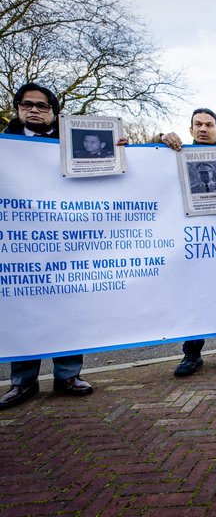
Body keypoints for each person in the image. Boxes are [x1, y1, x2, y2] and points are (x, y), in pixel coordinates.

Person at [0, 83, 93, 410]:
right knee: (24, 310)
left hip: (68, 241)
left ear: (54, 112)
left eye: (42, 105)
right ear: (18, 109)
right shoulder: (3, 145)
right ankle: (22, 382)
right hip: (20, 246)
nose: (34, 110)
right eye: (28, 105)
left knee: (67, 307)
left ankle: (68, 375)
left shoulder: (73, 143)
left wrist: (124, 150)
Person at [162, 108, 216, 376]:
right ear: (190, 130)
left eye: (209, 125)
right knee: (194, 297)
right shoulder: (173, 154)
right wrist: (161, 137)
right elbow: (147, 166)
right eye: (198, 124)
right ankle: (192, 354)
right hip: (191, 241)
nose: (203, 128)